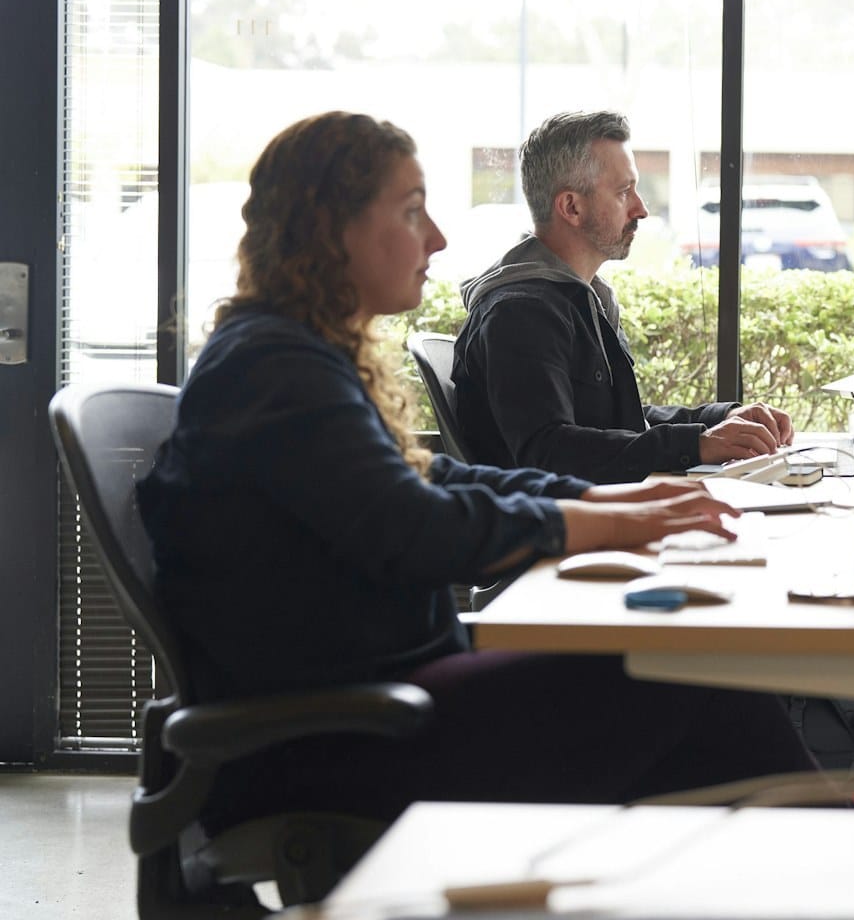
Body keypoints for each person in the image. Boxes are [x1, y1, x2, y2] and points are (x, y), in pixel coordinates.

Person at [138, 111, 815, 830]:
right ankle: (851, 848)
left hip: (381, 696)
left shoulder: (292, 353)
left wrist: (604, 502)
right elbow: (417, 526)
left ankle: (830, 849)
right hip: (346, 735)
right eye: (410, 211)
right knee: (688, 674)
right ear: (328, 229)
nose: (437, 238)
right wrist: (609, 517)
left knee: (693, 689)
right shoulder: (274, 369)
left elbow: (438, 481)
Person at [453, 110, 794, 484]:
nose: (641, 209)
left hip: (601, 518)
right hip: (571, 536)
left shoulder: (574, 298)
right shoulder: (520, 315)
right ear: (571, 207)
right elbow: (549, 451)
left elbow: (620, 422)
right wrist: (697, 444)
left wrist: (721, 419)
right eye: (623, 192)